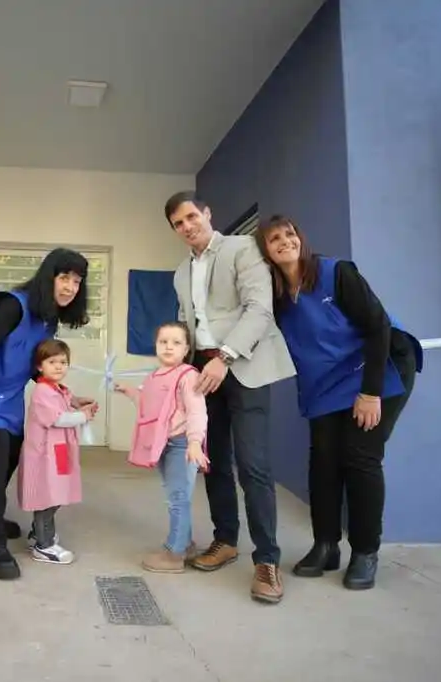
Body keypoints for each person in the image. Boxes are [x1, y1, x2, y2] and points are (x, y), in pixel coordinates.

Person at [255, 215, 423, 590]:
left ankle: (365, 552)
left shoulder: (337, 273)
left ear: (301, 238)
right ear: (265, 252)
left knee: (360, 456)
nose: (284, 241)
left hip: (380, 367)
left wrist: (370, 393)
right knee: (323, 461)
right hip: (327, 380)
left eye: (289, 234)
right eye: (273, 239)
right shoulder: (275, 296)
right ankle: (326, 546)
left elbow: (378, 326)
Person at [165, 190, 296, 604]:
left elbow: (260, 309)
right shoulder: (180, 273)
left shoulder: (242, 248)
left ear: (207, 213)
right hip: (203, 373)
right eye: (178, 224)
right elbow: (187, 325)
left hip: (244, 367)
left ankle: (267, 560)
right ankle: (225, 540)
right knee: (214, 461)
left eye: (191, 217)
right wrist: (176, 372)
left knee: (253, 465)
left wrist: (224, 357)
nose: (187, 227)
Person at [0, 247, 95, 580]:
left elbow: (34, 365)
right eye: (64, 278)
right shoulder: (13, 305)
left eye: (77, 281)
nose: (70, 287)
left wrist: (68, 397)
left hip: (11, 395)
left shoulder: (48, 317)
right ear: (49, 277)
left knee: (11, 457)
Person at [115, 322, 210, 574]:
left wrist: (194, 442)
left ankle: (174, 553)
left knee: (178, 499)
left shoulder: (188, 375)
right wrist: (130, 392)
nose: (169, 347)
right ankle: (185, 544)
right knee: (176, 496)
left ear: (186, 349)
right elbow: (149, 406)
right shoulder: (154, 376)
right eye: (163, 342)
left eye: (176, 343)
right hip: (162, 445)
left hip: (181, 444)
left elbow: (197, 411)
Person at [18, 339, 94, 565]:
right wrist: (83, 416)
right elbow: (58, 418)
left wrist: (79, 403)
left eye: (63, 362)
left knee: (57, 493)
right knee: (47, 498)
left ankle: (39, 533)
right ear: (39, 366)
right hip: (44, 456)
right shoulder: (42, 392)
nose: (59, 366)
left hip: (57, 453)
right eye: (52, 362)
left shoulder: (58, 389)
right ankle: (44, 545)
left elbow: (66, 402)